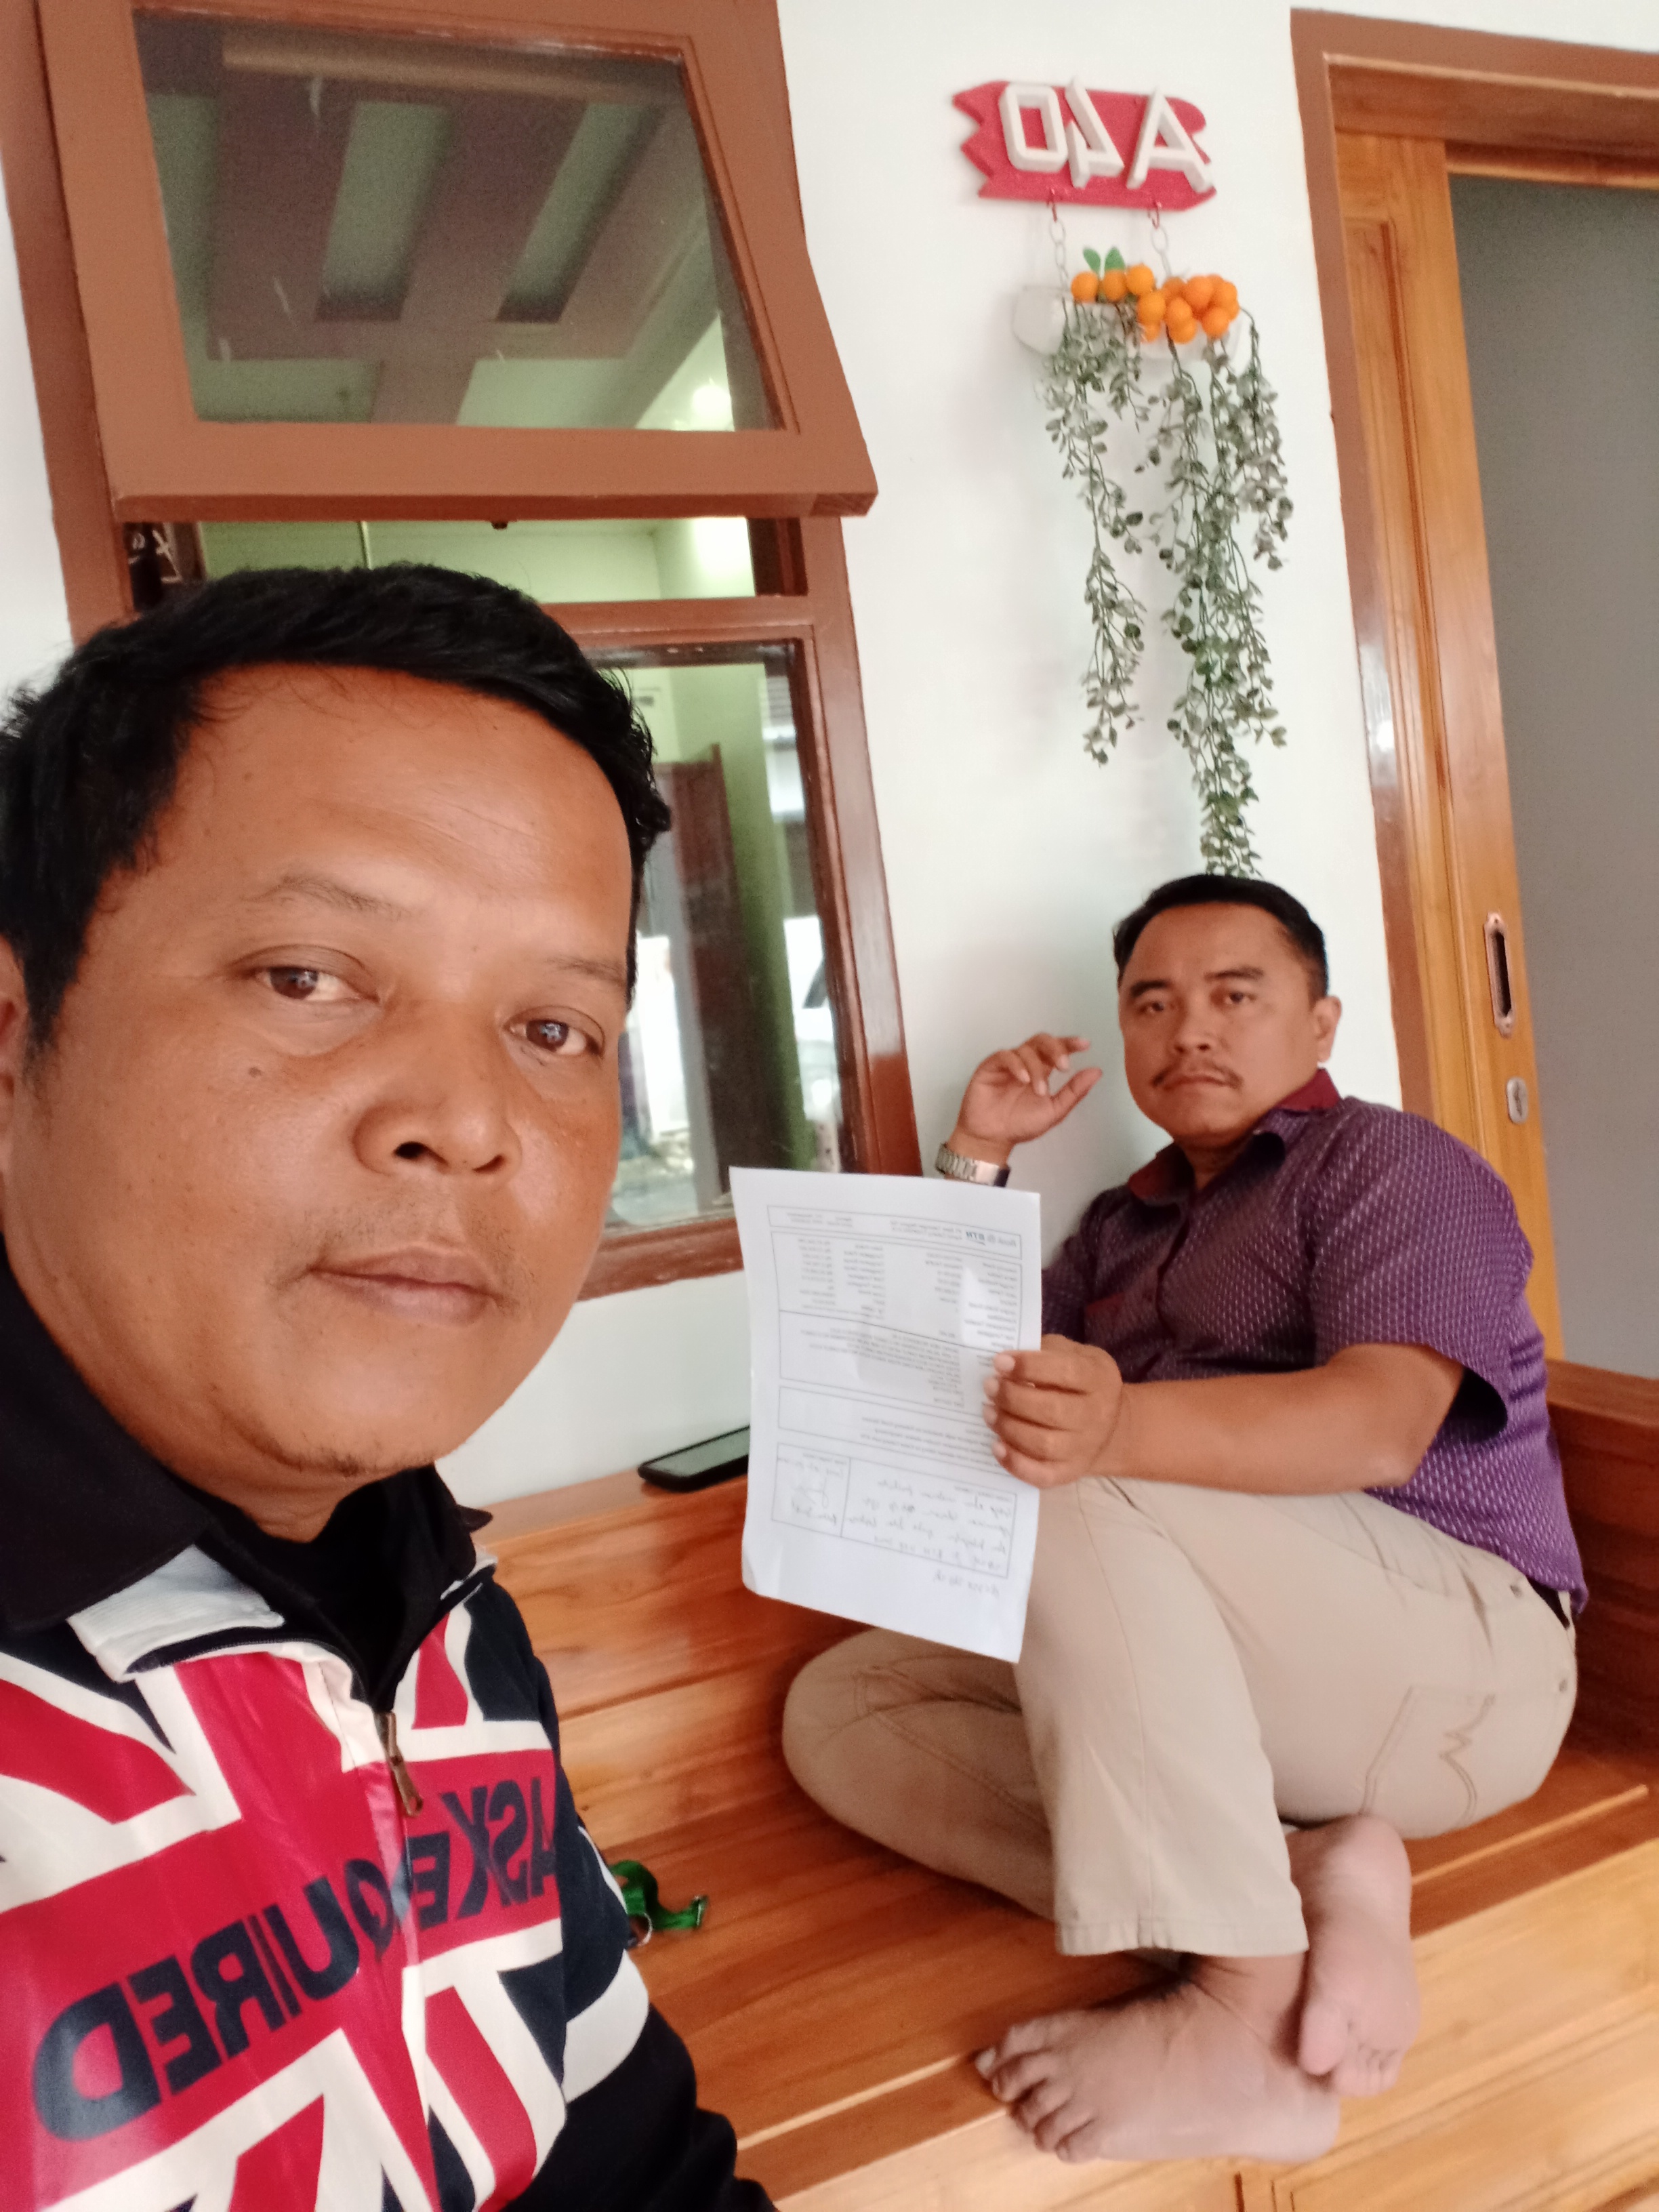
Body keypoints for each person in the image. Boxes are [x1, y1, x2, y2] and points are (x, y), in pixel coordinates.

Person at [0, 566, 770, 2211]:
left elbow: (630, 2167)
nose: (468, 1122)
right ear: (15, 1030)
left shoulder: (436, 1599)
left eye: (554, 1028)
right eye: (310, 976)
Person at [782, 874, 1582, 2167]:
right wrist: (979, 1153)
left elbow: (1379, 1424)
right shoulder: (1122, 1226)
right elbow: (960, 1383)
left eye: (1233, 995)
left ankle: (1245, 2009)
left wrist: (1111, 1434)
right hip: (1260, 1696)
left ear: (1321, 1023)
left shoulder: (1390, 1164)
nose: (1188, 1029)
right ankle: (1300, 1879)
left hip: (1467, 1666)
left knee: (1070, 1481)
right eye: (1151, 1003)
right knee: (844, 1708)